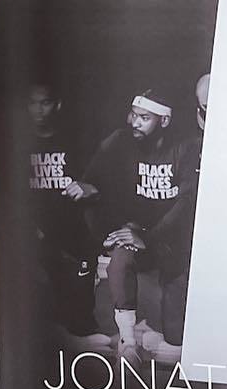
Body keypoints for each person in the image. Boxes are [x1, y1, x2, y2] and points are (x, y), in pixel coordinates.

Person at [71, 90, 201, 361]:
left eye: (144, 118)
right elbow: (92, 178)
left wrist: (150, 238)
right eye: (133, 115)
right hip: (135, 230)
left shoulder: (186, 147)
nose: (134, 122)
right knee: (120, 259)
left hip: (171, 238)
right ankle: (128, 342)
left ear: (164, 121)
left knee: (176, 336)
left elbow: (186, 204)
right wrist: (87, 187)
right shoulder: (121, 140)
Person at [25, 82, 95, 334]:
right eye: (33, 103)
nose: (39, 110)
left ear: (57, 105)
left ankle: (80, 325)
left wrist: (89, 188)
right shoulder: (20, 144)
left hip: (71, 227)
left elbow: (95, 183)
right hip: (35, 229)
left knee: (80, 317)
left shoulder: (74, 141)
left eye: (45, 103)